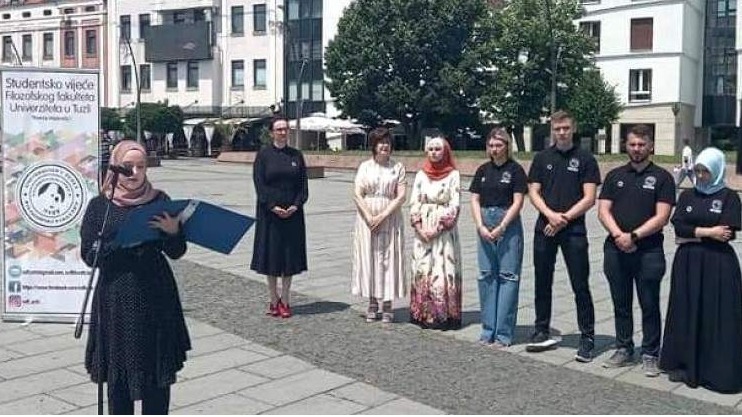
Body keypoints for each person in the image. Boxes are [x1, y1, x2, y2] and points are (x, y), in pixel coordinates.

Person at [80, 141, 190, 415]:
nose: (135, 173)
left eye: (141, 166)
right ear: (116, 167)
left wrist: (172, 231)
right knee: (120, 380)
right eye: (128, 167)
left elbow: (176, 252)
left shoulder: (160, 199)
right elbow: (89, 255)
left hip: (156, 294)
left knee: (156, 373)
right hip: (117, 296)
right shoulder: (100, 207)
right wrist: (117, 243)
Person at [660, 147, 742, 393]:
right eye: (698, 171)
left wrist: (692, 233)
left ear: (716, 170)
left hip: (718, 265)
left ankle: (714, 369)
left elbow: (726, 233)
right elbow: (678, 229)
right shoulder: (688, 195)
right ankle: (686, 364)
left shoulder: (729, 197)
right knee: (687, 310)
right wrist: (707, 232)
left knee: (717, 315)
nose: (701, 176)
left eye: (706, 171)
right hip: (688, 263)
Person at [597, 125, 675, 376]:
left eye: (642, 145)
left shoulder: (663, 178)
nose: (637, 149)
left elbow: (662, 216)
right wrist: (619, 235)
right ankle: (623, 347)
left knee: (649, 302)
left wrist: (634, 236)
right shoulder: (614, 175)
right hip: (615, 248)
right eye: (632, 144)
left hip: (648, 251)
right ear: (625, 145)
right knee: (621, 302)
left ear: (650, 146)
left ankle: (651, 352)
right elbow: (603, 210)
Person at [526, 110, 600, 362]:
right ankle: (541, 330)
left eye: (566, 128)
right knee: (542, 281)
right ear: (552, 131)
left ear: (573, 128)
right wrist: (550, 215)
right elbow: (533, 192)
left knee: (580, 284)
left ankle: (587, 337)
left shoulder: (586, 158)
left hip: (573, 230)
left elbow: (589, 197)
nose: (562, 133)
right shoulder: (542, 157)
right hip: (545, 227)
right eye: (557, 129)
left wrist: (564, 218)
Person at [469, 128, 527, 348]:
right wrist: (480, 225)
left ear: (507, 146)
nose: (495, 149)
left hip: (507, 223)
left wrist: (502, 226)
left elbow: (518, 201)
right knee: (486, 276)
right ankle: (487, 331)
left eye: (499, 145)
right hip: (484, 222)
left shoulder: (515, 170)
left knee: (508, 277)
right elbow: (475, 199)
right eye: (491, 145)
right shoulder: (483, 170)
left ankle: (503, 334)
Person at [251, 116, 308, 319]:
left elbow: (303, 186)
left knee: (289, 258)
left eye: (285, 129)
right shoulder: (264, 155)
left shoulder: (296, 155)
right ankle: (273, 298)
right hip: (270, 215)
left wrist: (295, 205)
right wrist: (272, 206)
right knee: (272, 257)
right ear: (271, 132)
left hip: (293, 215)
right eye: (279, 129)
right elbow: (259, 184)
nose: (283, 132)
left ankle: (286, 299)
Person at [351, 128, 407, 323]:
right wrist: (368, 215)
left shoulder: (397, 167)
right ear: (373, 146)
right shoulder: (365, 167)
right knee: (370, 258)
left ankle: (388, 303)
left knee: (389, 258)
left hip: (390, 215)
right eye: (380, 143)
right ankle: (373, 301)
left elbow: (401, 195)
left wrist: (383, 215)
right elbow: (357, 193)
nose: (384, 146)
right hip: (367, 217)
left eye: (387, 143)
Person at [409, 137, 462, 330]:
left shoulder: (453, 174)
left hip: (443, 232)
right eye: (430, 149)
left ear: (445, 151)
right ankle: (422, 313)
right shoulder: (421, 174)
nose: (433, 152)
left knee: (442, 270)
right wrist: (419, 226)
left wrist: (438, 227)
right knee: (423, 269)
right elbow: (414, 201)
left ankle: (443, 315)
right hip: (423, 230)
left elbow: (455, 204)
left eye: (437, 149)